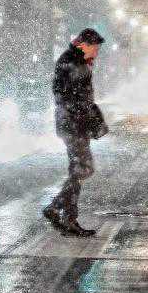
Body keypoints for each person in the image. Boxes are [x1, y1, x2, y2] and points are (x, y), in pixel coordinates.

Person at [43, 28, 105, 237]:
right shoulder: (71, 63)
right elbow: (66, 97)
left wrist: (92, 116)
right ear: (83, 45)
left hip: (75, 124)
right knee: (82, 169)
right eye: (94, 47)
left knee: (79, 170)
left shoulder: (77, 62)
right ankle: (60, 211)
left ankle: (63, 213)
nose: (96, 52)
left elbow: (81, 99)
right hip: (72, 125)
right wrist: (83, 115)